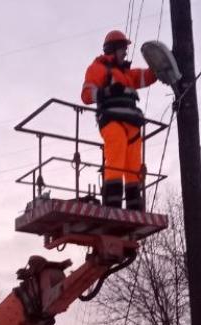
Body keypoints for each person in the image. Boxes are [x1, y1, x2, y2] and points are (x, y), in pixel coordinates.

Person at [81, 30, 159, 211]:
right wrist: (106, 92)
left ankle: (134, 205)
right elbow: (86, 95)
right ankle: (113, 204)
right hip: (111, 120)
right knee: (116, 153)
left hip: (131, 123)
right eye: (123, 48)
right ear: (112, 49)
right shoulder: (98, 69)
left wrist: (162, 64)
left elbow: (147, 76)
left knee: (133, 164)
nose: (125, 52)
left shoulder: (127, 74)